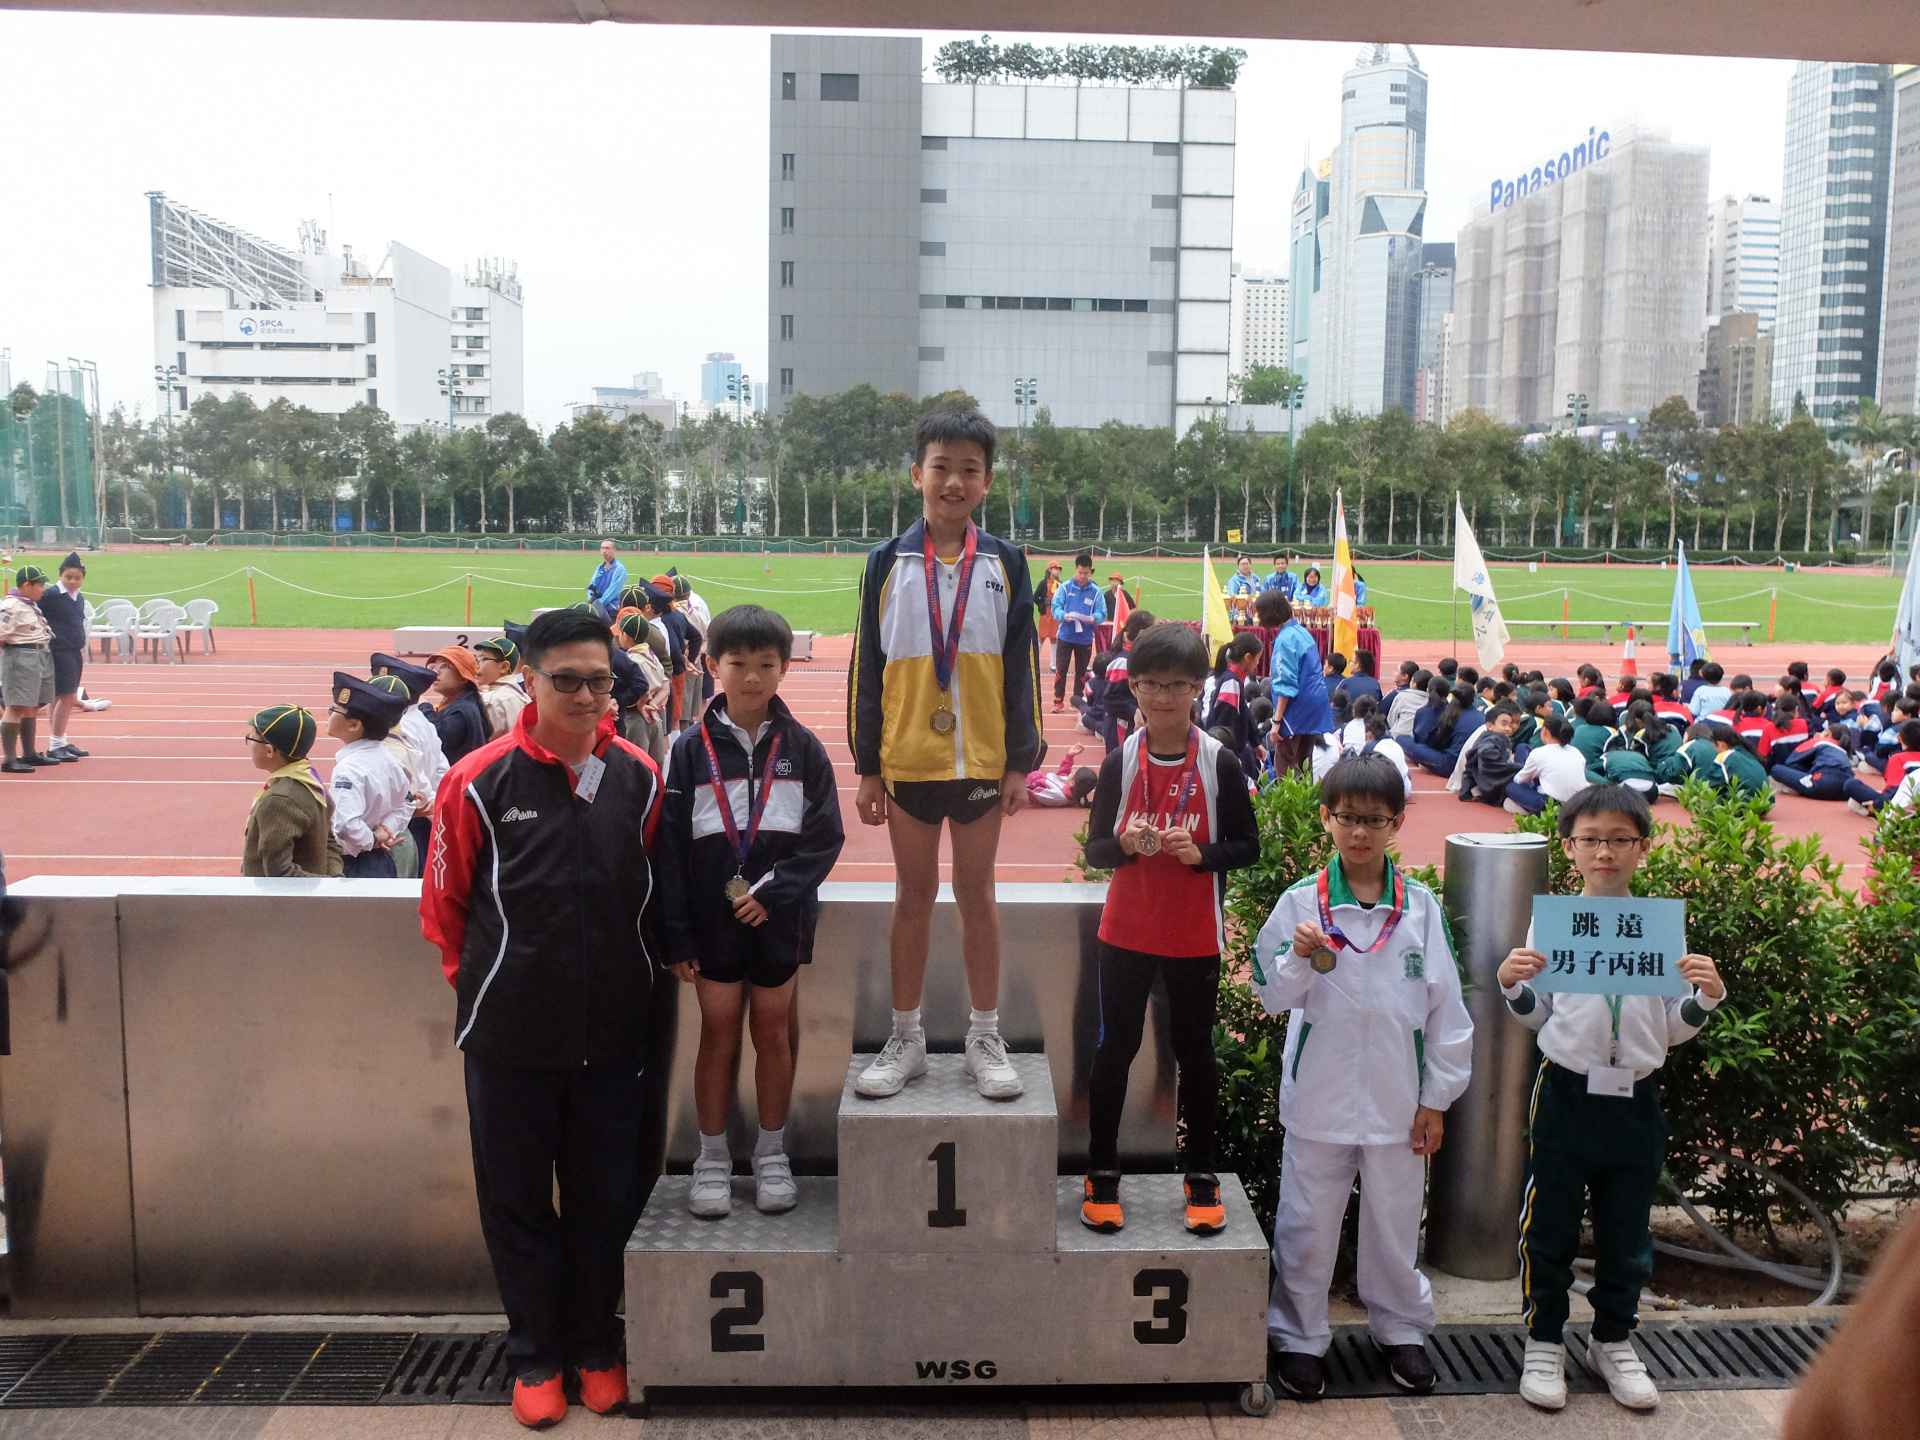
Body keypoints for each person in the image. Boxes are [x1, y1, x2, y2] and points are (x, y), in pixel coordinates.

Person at [419, 607, 666, 1428]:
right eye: (568, 681)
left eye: (601, 681)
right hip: (509, 1036)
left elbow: (647, 890)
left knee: (605, 1200)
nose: (588, 697)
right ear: (529, 680)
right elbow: (445, 908)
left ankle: (596, 1345)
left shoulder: (638, 776)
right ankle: (535, 1354)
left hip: (616, 1036)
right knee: (518, 1202)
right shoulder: (477, 781)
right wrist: (492, 989)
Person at [1497, 785, 1726, 1413]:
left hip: (1636, 1096)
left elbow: (1669, 1028)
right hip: (1567, 1089)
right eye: (1591, 839)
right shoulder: (1553, 924)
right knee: (1550, 1224)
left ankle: (1612, 1339)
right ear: (1569, 848)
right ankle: (1545, 1340)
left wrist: (1705, 999)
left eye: (1620, 840)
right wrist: (1512, 985)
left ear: (1642, 848)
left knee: (1627, 1229)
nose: (1605, 852)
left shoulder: (1657, 929)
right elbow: (1540, 1016)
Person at [1251, 754, 1473, 1400]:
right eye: (1347, 817)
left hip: (1400, 1103)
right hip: (1318, 1099)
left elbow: (1448, 1014)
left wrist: (1436, 1099)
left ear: (1397, 823)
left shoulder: (1420, 909)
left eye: (1374, 820)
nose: (1359, 832)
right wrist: (1297, 956)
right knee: (1306, 1223)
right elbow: (1270, 994)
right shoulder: (1302, 903)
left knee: (1395, 1223)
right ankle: (1299, 1337)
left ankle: (1400, 1329)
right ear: (1326, 818)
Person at [849, 406, 1041, 1101]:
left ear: (987, 481)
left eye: (969, 469)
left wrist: (1020, 761)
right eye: (941, 467)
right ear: (916, 475)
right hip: (907, 760)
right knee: (913, 896)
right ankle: (906, 1037)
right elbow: (867, 669)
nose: (953, 482)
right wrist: (868, 766)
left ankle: (984, 1037)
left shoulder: (1006, 563)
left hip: (983, 761)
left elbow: (1023, 668)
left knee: (977, 894)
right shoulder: (886, 563)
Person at [660, 604, 845, 1220]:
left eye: (766, 664)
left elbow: (825, 837)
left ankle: (771, 1153)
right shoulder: (689, 749)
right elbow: (670, 847)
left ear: (785, 668)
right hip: (711, 923)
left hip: (779, 920)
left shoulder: (803, 748)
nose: (751, 677)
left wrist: (775, 893)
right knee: (717, 1033)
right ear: (713, 665)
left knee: (771, 1032)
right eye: (737, 663)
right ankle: (712, 1158)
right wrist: (677, 932)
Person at [1080, 623, 1260, 1236]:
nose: (1164, 697)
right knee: (1116, 1050)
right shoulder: (1119, 762)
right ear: (1132, 686)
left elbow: (1248, 846)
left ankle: (1201, 1174)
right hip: (1126, 931)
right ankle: (1102, 1169)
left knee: (1196, 1054)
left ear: (1198, 688)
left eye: (1178, 684)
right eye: (1152, 684)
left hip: (1193, 934)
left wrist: (1202, 855)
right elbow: (1096, 852)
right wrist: (1126, 846)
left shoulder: (1220, 762)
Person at [325, 672, 413, 879]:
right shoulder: (386, 757)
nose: (328, 713)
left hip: (352, 864)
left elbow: (345, 825)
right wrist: (387, 828)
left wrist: (372, 839)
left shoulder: (350, 769)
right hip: (380, 860)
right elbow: (407, 801)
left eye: (334, 710)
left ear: (354, 725)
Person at [241, 704, 343, 878]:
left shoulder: (280, 800)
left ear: (269, 750)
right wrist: (334, 880)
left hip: (283, 896)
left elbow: (279, 873)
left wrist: (326, 886)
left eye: (251, 738)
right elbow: (330, 843)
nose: (249, 742)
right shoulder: (311, 783)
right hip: (312, 892)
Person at [372, 653, 449, 862]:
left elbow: (412, 777)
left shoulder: (400, 727)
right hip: (421, 815)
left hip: (401, 822)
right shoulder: (423, 721)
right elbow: (442, 769)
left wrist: (420, 805)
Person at [1255, 590, 1334, 776]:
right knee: (1304, 763)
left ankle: (1288, 797)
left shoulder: (1285, 640)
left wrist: (1276, 722)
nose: (1259, 618)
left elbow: (1286, 685)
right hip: (1315, 705)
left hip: (1297, 707)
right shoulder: (1302, 632)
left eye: (1260, 613)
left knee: (1285, 766)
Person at [0, 566, 57, 774]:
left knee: (31, 706)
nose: (43, 589)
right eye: (40, 585)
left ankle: (29, 753)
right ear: (26, 585)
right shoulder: (11, 606)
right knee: (15, 707)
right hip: (21, 657)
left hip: (39, 655)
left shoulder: (28, 603)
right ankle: (9, 759)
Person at [37, 553, 90, 762]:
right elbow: (31, 607)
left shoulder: (78, 597)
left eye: (78, 578)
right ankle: (56, 743)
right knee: (67, 696)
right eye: (68, 577)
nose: (73, 581)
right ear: (60, 575)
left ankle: (59, 741)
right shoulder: (50, 595)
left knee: (59, 696)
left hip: (74, 649)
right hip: (59, 650)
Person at [1050, 552, 1106, 712]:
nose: (1082, 576)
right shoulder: (1065, 587)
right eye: (1080, 572)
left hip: (1085, 638)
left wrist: (1094, 618)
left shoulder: (1096, 591)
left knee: (1081, 672)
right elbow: (1055, 607)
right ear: (1076, 569)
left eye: (1086, 573)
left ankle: (1077, 700)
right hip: (1065, 636)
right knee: (1061, 669)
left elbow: (1102, 612)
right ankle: (1058, 700)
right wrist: (1064, 615)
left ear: (1091, 572)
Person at [614, 611, 671, 765]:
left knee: (636, 764)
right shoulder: (651, 655)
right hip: (654, 716)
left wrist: (642, 705)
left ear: (627, 636)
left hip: (635, 717)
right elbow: (665, 687)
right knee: (656, 763)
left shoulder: (631, 660)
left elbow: (643, 690)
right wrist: (653, 705)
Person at [1504, 715, 1588, 815]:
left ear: (1545, 731)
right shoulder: (1576, 752)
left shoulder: (1540, 753)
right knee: (1522, 748)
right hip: (1577, 804)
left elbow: (1520, 780)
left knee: (1511, 787)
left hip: (1550, 805)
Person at [421, 645, 490, 765]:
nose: (436, 672)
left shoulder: (462, 710)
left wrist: (424, 707)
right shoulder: (465, 701)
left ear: (463, 678)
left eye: (445, 666)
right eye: (433, 667)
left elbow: (439, 736)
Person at [475, 637, 530, 740]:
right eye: (475, 659)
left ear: (504, 667)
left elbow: (482, 741)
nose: (476, 665)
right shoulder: (523, 696)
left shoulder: (492, 700)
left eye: (482, 659)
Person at [1027, 744, 1098, 806]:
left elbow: (1032, 792)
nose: (1072, 771)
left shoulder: (1056, 795)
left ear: (1072, 783)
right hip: (1033, 778)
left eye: (1073, 773)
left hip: (1028, 782)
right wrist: (1070, 756)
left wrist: (1022, 785)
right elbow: (1062, 774)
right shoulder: (1070, 788)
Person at [584, 539, 627, 620]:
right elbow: (592, 585)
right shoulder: (599, 568)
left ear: (614, 550)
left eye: (607, 548)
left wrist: (596, 606)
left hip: (611, 610)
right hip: (597, 608)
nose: (604, 551)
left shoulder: (619, 569)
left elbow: (612, 591)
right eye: (602, 548)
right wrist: (591, 601)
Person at [1035, 559, 1063, 670]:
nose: (1058, 571)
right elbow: (1036, 597)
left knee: (1054, 638)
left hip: (1055, 614)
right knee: (1041, 637)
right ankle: (1035, 660)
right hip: (1045, 613)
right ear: (1050, 570)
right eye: (1055, 569)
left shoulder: (1060, 584)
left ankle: (1053, 663)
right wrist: (1042, 605)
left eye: (1059, 569)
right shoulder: (1044, 583)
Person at [1225, 554, 1259, 623]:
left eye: (1247, 564)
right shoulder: (1234, 580)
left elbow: (1260, 593)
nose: (1245, 566)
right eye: (1243, 564)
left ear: (1250, 564)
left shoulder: (1256, 578)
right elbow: (1233, 598)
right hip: (1241, 615)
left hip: (1255, 614)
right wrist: (1235, 615)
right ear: (1238, 566)